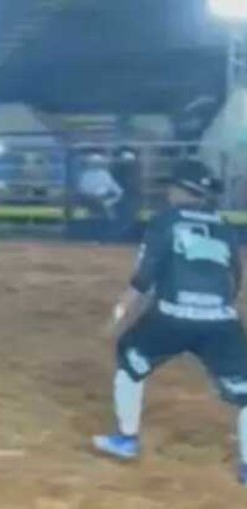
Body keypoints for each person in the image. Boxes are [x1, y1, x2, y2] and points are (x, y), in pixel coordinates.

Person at [93, 159, 247, 486]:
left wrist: (117, 315)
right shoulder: (225, 227)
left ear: (179, 190)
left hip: (171, 317)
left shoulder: (165, 222)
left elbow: (143, 279)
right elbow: (235, 280)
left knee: (130, 358)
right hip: (221, 321)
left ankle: (126, 439)